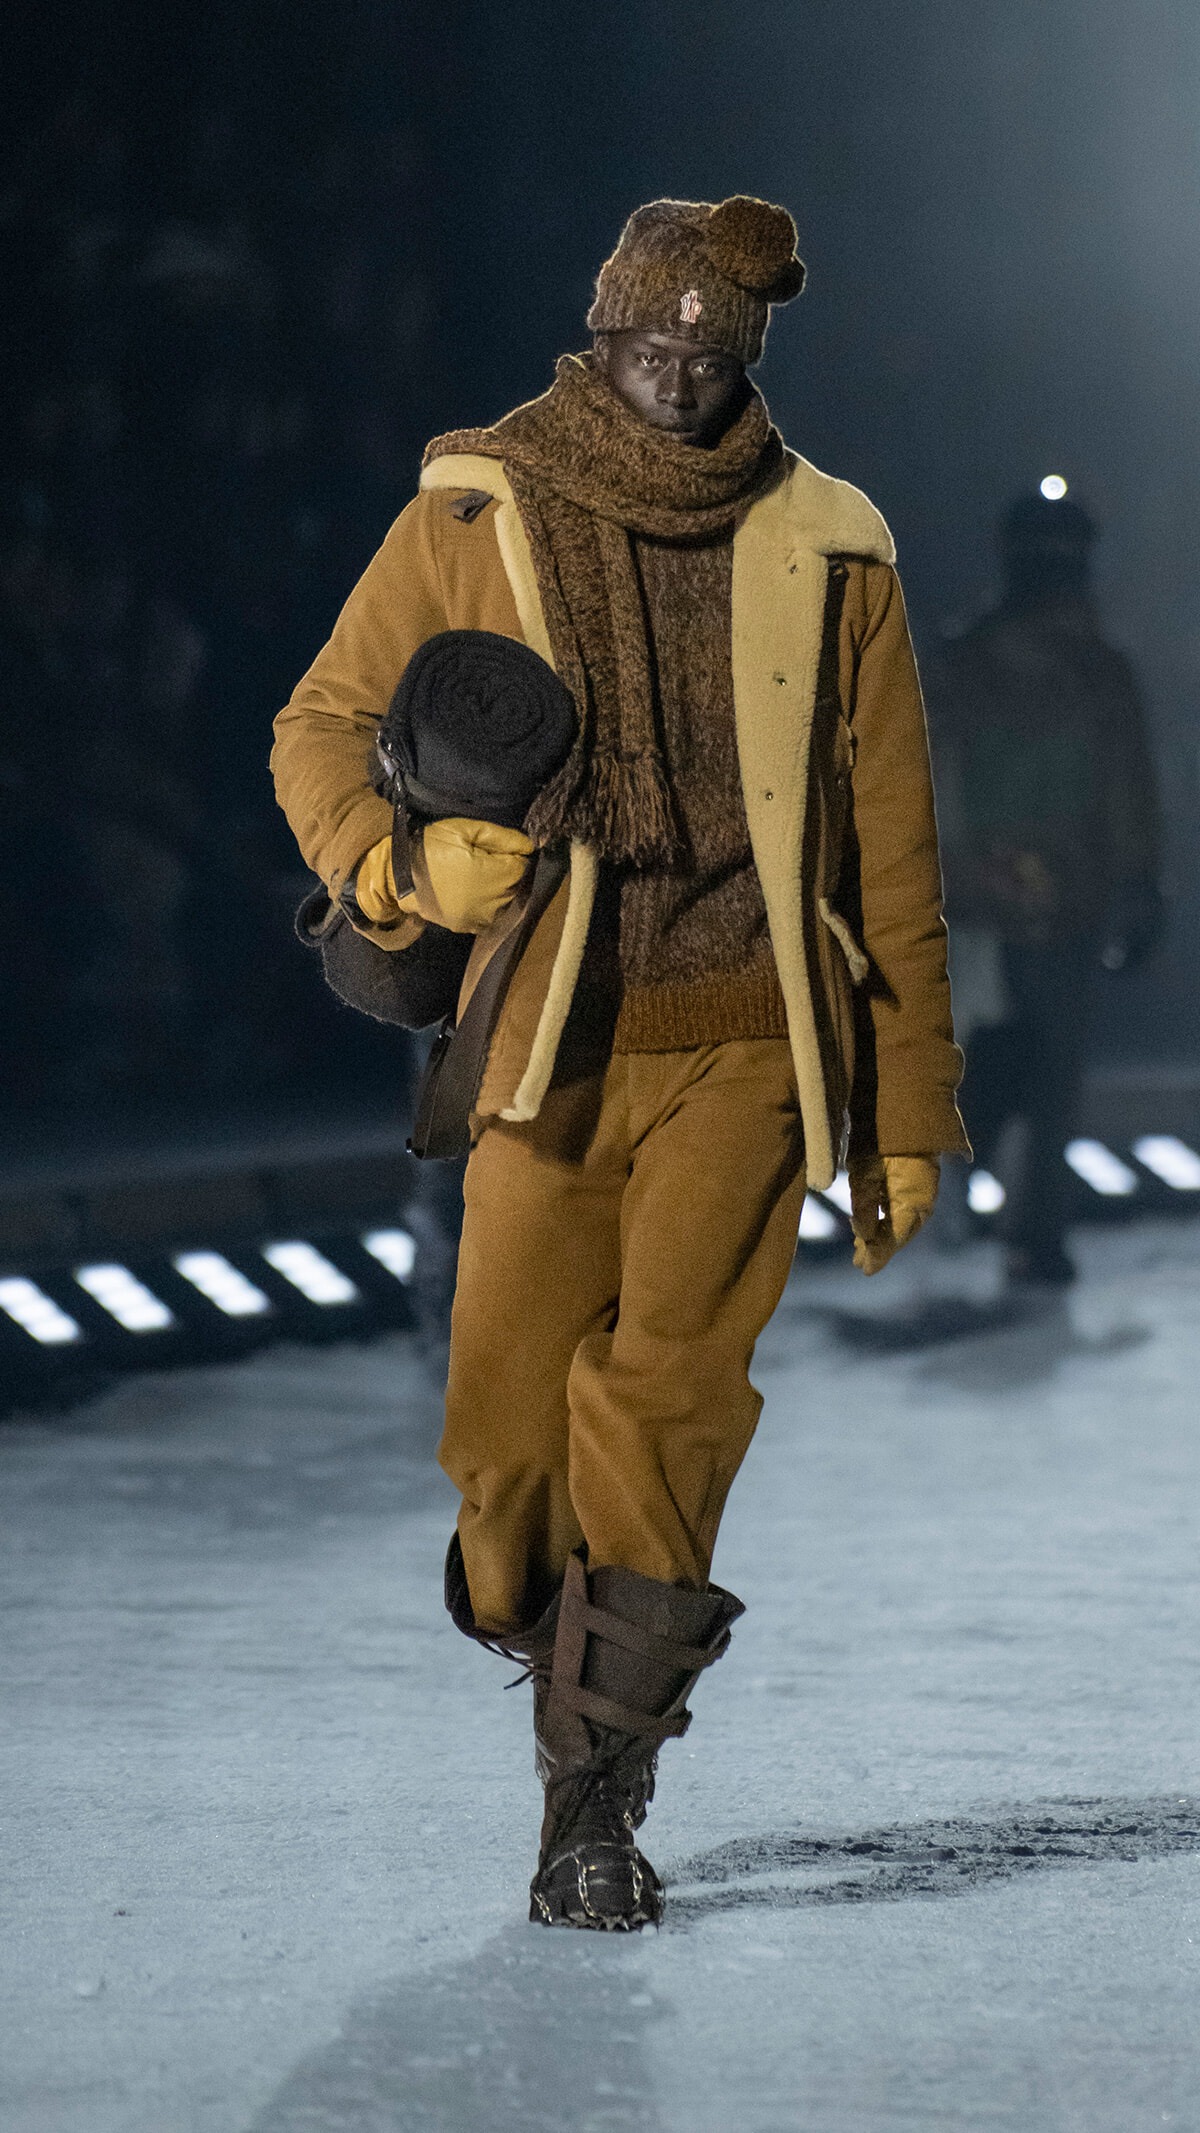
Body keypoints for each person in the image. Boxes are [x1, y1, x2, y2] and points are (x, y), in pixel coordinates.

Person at [272, 195, 967, 1930]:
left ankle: (593, 1794)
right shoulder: (475, 503)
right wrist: (401, 865)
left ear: (747, 355)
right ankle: (538, 1609)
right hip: (549, 1035)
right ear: (602, 335)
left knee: (668, 1402)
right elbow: (318, 723)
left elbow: (891, 843)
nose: (678, 370)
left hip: (749, 1032)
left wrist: (910, 1105)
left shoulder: (834, 541)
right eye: (653, 341)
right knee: (505, 1444)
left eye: (711, 347)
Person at [926, 491, 1162, 1285]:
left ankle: (963, 1168)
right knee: (1052, 1064)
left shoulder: (964, 660)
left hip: (978, 896)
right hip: (1068, 895)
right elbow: (1128, 791)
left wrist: (950, 873)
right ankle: (1035, 1233)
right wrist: (1140, 886)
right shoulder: (1100, 668)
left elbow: (927, 780)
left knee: (989, 1044)